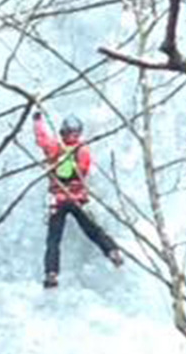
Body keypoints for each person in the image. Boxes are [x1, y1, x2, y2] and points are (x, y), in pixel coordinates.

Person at [32, 110, 123, 289]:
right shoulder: (82, 150)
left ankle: (51, 273)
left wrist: (37, 121)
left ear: (62, 132)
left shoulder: (55, 148)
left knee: (53, 240)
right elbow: (84, 170)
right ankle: (112, 251)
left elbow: (41, 138)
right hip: (77, 198)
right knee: (93, 230)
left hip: (58, 200)